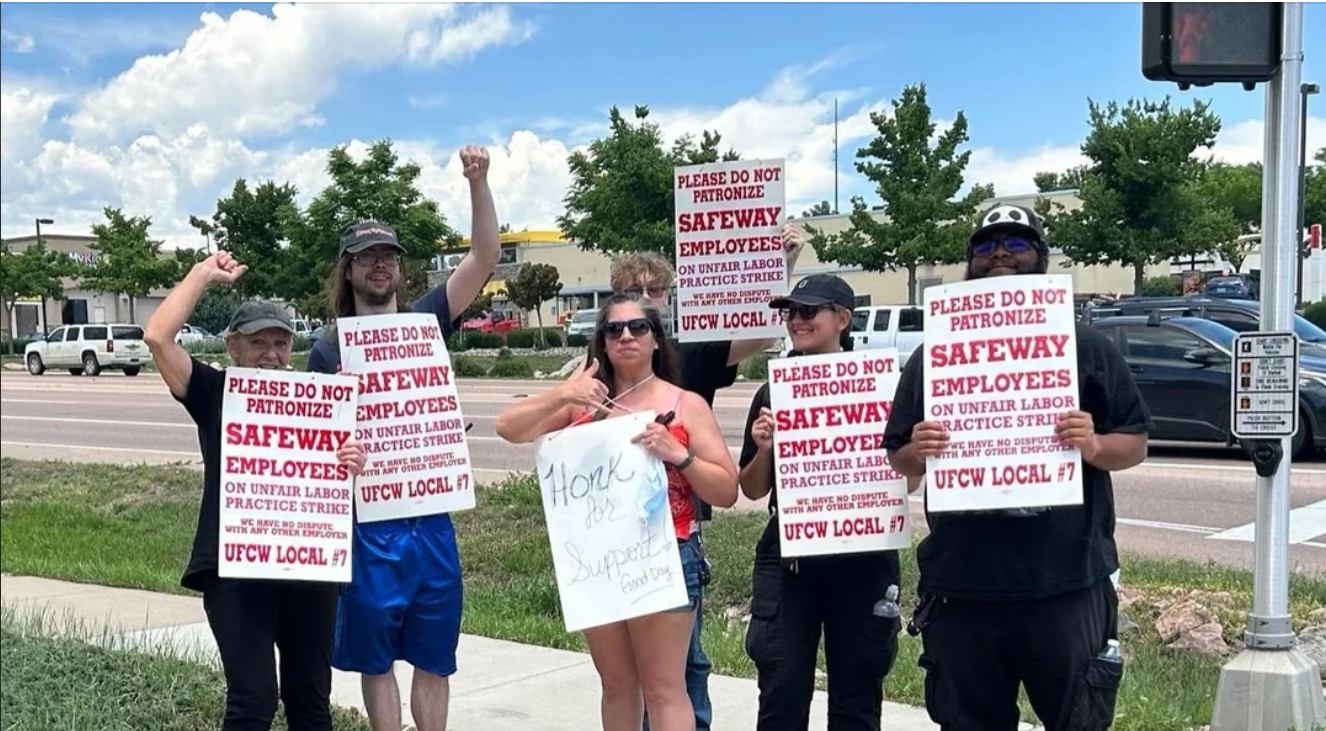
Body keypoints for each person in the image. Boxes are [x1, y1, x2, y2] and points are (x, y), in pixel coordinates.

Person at [883, 204, 1152, 731]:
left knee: (1078, 721)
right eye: (984, 247)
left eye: (1016, 244)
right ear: (968, 264)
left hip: (1067, 583)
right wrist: (918, 447)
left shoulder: (1085, 346)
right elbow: (898, 456)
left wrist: (1094, 446)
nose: (1000, 255)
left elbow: (1135, 441)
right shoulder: (933, 354)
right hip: (963, 585)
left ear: (1042, 259)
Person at [305, 145, 500, 731]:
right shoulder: (328, 347)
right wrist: (339, 453)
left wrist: (478, 181)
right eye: (367, 256)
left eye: (388, 254)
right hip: (370, 527)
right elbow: (314, 447)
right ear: (348, 268)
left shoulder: (427, 319)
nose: (380, 264)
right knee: (376, 657)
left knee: (436, 656)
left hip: (432, 519)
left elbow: (486, 256)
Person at [143, 251, 369, 731]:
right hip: (234, 569)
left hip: (309, 568)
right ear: (233, 347)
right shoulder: (215, 391)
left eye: (281, 342)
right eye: (258, 341)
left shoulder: (317, 402)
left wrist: (352, 461)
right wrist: (204, 274)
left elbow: (336, 475)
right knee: (253, 700)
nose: (271, 353)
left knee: (311, 701)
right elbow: (157, 337)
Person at [494, 295, 739, 731]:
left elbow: (726, 490)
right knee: (616, 684)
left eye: (638, 328)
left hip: (667, 554)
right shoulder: (581, 404)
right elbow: (508, 427)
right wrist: (565, 391)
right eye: (614, 330)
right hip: (598, 560)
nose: (626, 336)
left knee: (664, 687)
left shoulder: (685, 404)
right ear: (602, 343)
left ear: (657, 340)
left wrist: (679, 454)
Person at [613, 224, 805, 731]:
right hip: (609, 537)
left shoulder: (689, 355)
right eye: (635, 291)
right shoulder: (598, 367)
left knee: (685, 666)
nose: (647, 300)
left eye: (656, 290)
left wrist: (781, 264)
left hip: (677, 532)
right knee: (625, 675)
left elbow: (761, 334)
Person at [737, 274, 902, 731]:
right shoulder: (773, 391)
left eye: (809, 311)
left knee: (857, 695)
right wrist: (765, 448)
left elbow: (904, 484)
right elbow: (750, 490)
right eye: (790, 312)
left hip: (864, 557)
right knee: (782, 691)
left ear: (843, 319)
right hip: (789, 559)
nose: (796, 321)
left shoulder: (879, 385)